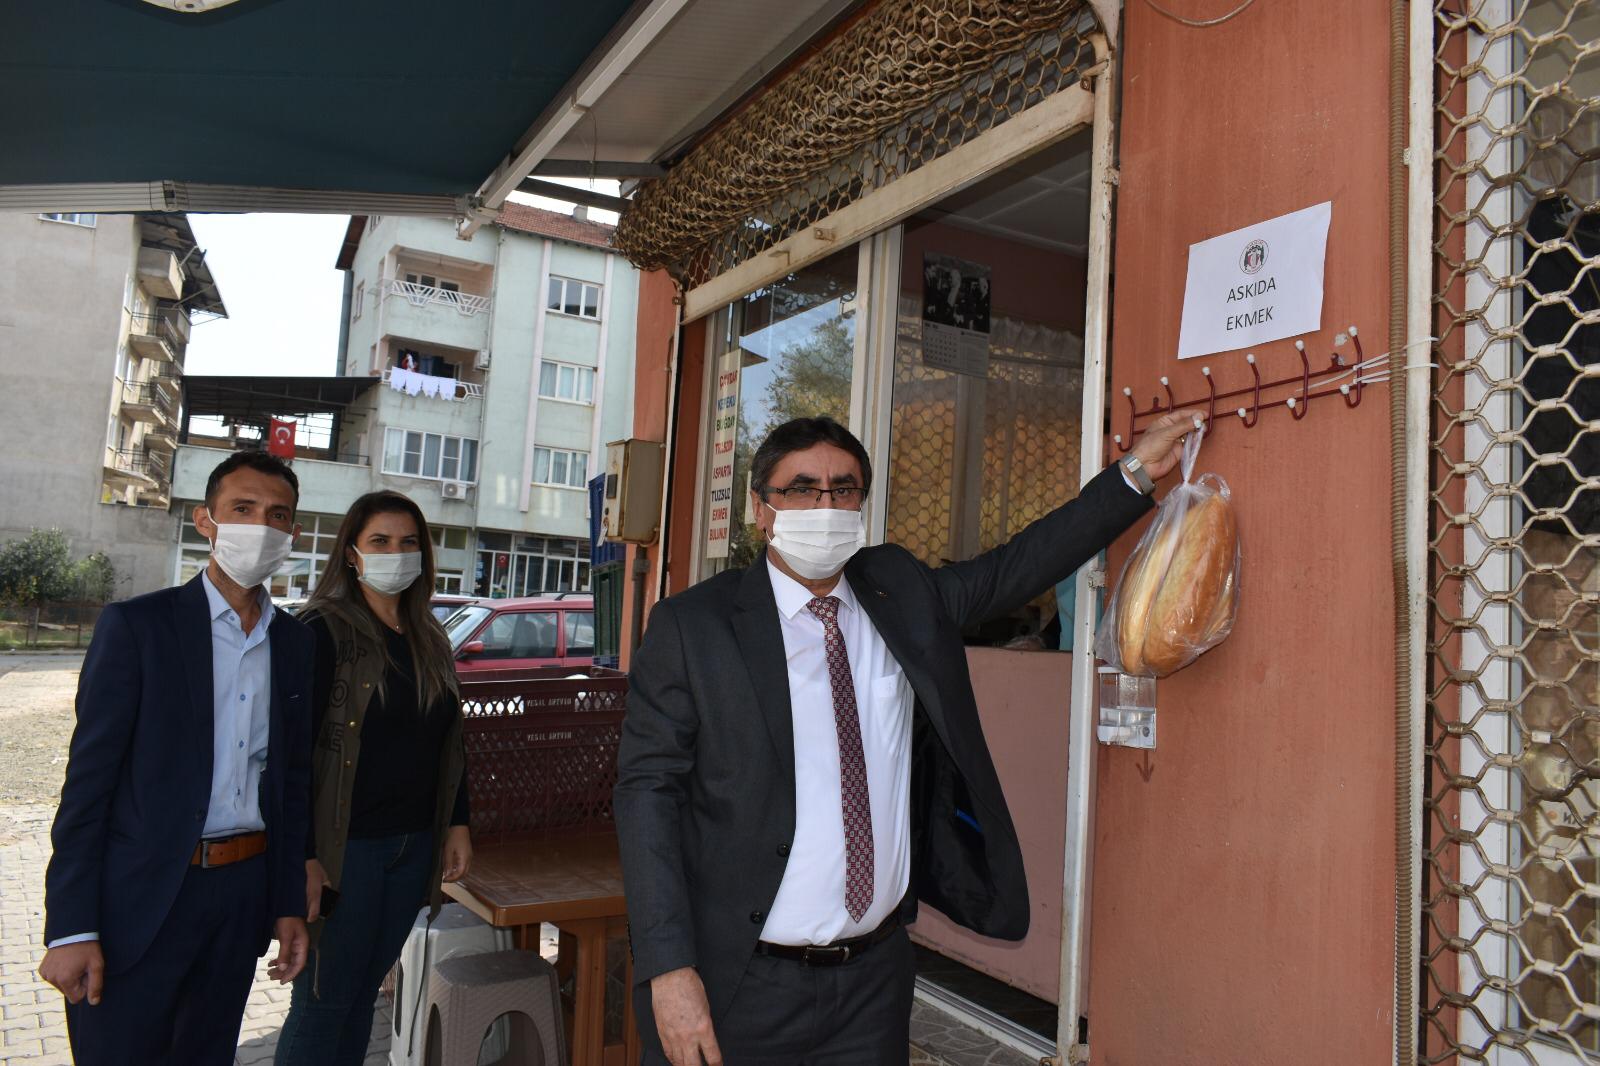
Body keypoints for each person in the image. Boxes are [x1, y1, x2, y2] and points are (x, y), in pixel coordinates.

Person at [616, 411, 1198, 1065]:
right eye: (801, 489)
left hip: (873, 986)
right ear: (761, 509)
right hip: (737, 983)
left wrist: (1134, 474)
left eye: (843, 489)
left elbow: (1018, 565)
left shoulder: (898, 593)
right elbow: (646, 797)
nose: (825, 506)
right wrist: (668, 968)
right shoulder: (695, 627)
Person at [39, 450, 315, 1065]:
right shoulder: (138, 628)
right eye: (242, 508)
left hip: (241, 897)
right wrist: (72, 926)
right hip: (140, 900)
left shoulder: (296, 643)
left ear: (292, 534)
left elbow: (291, 784)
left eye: (277, 515)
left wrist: (287, 903)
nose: (261, 526)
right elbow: (87, 787)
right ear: (205, 520)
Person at [274, 490, 471, 1066]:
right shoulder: (321, 630)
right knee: (323, 1003)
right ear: (351, 553)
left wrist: (458, 822)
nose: (395, 554)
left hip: (411, 847)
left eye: (408, 543)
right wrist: (303, 856)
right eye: (379, 542)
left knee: (362, 996)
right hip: (347, 853)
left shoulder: (429, 636)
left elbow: (448, 742)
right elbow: (291, 755)